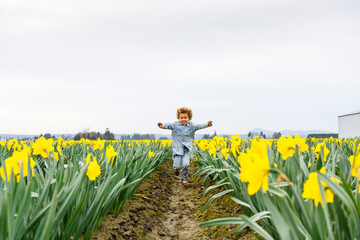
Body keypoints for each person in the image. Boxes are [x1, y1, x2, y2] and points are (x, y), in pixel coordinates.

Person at [158, 107, 213, 186]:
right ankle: (176, 170)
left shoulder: (192, 126)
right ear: (178, 118)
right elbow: (167, 125)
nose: (183, 119)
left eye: (185, 118)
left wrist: (207, 124)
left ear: (189, 118)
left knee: (186, 164)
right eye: (181, 118)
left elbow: (199, 126)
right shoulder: (174, 125)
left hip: (186, 148)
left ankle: (184, 178)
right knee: (177, 166)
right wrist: (161, 125)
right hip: (177, 149)